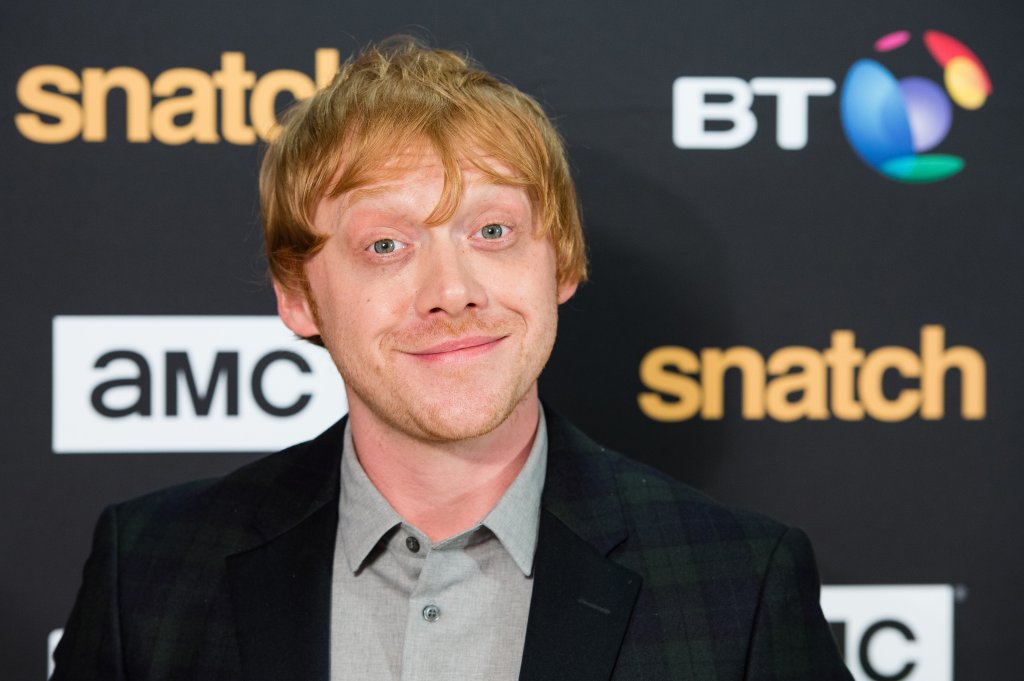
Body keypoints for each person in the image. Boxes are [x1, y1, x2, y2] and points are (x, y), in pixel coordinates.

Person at [53, 36, 853, 681]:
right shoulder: (149, 570)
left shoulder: (740, 581)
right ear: (299, 296)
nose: (452, 290)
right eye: (387, 244)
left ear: (562, 262)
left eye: (493, 232)